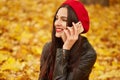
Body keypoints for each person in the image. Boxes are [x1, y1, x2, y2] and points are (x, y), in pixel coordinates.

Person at [38, 0, 97, 80]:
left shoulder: (88, 54)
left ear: (77, 25)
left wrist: (65, 49)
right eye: (56, 18)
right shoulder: (48, 48)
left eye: (64, 20)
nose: (57, 23)